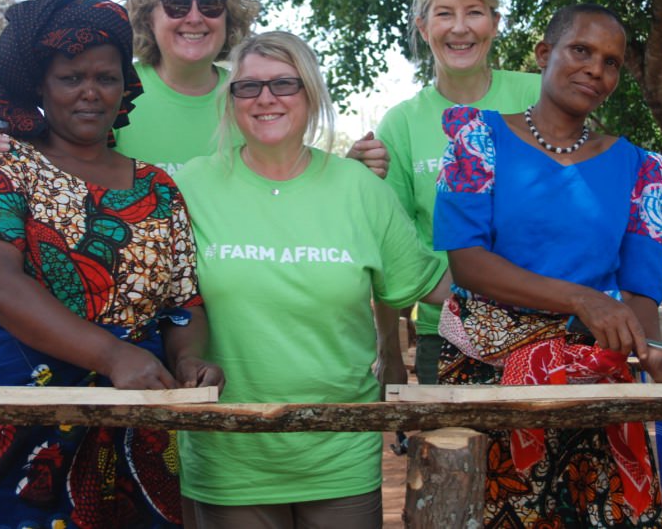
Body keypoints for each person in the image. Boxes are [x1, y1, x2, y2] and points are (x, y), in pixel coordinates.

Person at [432, 4, 662, 527]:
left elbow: (638, 299)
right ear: (544, 54)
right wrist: (582, 298)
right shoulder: (478, 142)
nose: (596, 69)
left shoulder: (646, 174)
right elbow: (468, 265)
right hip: (489, 379)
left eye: (611, 62)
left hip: (594, 385)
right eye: (581, 51)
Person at [0, 0, 224, 528]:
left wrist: (187, 359)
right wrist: (113, 356)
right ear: (40, 87)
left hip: (135, 410)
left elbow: (183, 300)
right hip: (15, 403)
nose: (91, 92)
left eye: (106, 77)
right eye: (71, 78)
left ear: (124, 86)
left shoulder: (157, 187)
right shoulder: (2, 166)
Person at [173, 31, 453, 529]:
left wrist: (556, 288)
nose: (265, 98)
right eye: (248, 87)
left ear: (312, 92)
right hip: (229, 452)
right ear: (231, 100)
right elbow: (159, 294)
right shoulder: (191, 185)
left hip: (339, 452)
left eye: (284, 83)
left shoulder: (360, 189)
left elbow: (432, 285)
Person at [348, 0, 539, 385]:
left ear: (495, 22)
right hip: (447, 335)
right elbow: (389, 249)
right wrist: (389, 352)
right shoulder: (401, 123)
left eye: (474, 12)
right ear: (423, 26)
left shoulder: (538, 95)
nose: (460, 28)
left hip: (550, 326)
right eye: (444, 14)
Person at [0, 0, 261, 182]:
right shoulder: (113, 90)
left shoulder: (257, 96)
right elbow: (44, 171)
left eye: (211, 4)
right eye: (176, 5)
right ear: (148, 16)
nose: (194, 17)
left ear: (229, 14)